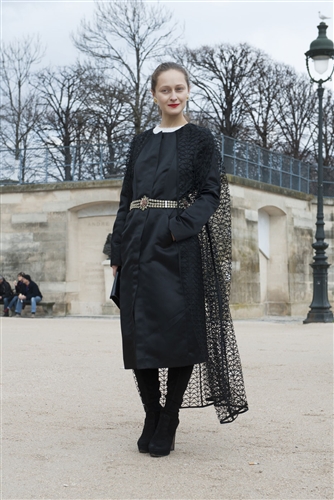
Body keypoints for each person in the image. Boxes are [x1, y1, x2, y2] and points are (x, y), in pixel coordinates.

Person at [110, 62, 248, 458]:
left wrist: (178, 228)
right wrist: (117, 249)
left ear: (188, 91)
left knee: (180, 333)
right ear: (153, 94)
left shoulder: (200, 140)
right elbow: (125, 198)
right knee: (139, 334)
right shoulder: (139, 142)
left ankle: (170, 418)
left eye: (180, 89)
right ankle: (151, 413)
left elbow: (210, 193)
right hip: (136, 243)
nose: (173, 96)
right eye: (165, 89)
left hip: (176, 245)